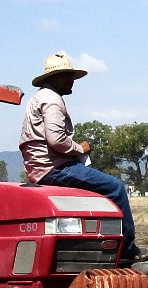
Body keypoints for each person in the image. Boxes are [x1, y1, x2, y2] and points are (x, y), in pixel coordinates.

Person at [18, 52, 138, 258]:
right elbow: (56, 140)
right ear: (53, 77)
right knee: (115, 188)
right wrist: (80, 149)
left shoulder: (38, 98)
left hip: (41, 167)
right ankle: (126, 249)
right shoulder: (53, 100)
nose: (71, 80)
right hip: (53, 167)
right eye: (66, 76)